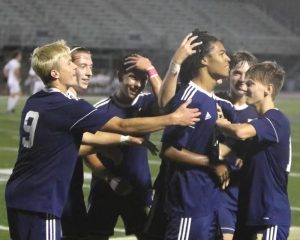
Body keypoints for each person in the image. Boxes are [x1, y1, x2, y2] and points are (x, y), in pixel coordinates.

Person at [157, 30, 236, 240]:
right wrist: (211, 163)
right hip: (188, 206)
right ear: (204, 60)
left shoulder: (211, 99)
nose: (228, 58)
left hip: (208, 202)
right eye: (222, 53)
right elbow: (169, 150)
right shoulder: (190, 98)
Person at [85, 54, 163, 240]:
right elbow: (86, 150)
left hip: (138, 187)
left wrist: (151, 69)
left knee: (147, 235)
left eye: (143, 80)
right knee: (95, 236)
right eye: (134, 77)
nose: (138, 84)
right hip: (105, 189)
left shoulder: (147, 103)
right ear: (120, 76)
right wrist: (109, 178)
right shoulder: (100, 110)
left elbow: (167, 105)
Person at [216, 61, 291, 240]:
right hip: (249, 213)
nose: (244, 87)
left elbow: (240, 132)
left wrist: (221, 124)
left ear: (268, 89)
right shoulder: (257, 126)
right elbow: (223, 151)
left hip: (270, 214)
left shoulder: (276, 120)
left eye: (251, 83)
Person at [215, 51, 258, 240]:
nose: (242, 79)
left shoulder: (259, 111)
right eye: (237, 73)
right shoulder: (213, 101)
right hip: (219, 191)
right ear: (228, 73)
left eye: (247, 75)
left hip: (248, 194)